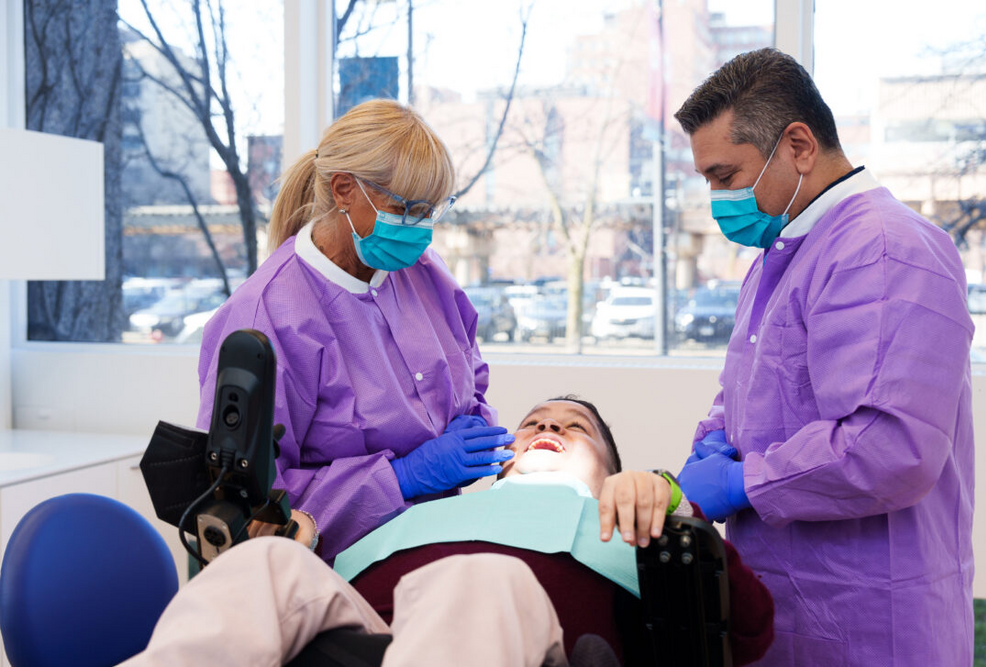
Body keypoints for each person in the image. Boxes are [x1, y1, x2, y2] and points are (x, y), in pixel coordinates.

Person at [672, 48, 974, 665]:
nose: (717, 198)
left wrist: (742, 482)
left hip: (872, 618)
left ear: (799, 146)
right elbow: (749, 389)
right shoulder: (783, 255)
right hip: (790, 606)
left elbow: (890, 447)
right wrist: (715, 438)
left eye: (725, 176)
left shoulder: (884, 249)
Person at [122, 398, 774, 667]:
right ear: (504, 458)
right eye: (534, 422)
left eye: (575, 428)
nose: (549, 427)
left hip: (520, 642)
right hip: (367, 642)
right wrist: (298, 540)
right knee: (264, 562)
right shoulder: (420, 514)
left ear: (612, 471)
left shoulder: (629, 520)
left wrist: (674, 503)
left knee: (480, 575)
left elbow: (748, 630)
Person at [196, 100, 512, 561]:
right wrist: (400, 478)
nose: (421, 229)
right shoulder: (266, 316)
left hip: (437, 539)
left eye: (432, 210)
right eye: (405, 208)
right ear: (344, 189)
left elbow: (470, 375)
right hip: (336, 567)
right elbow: (253, 507)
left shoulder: (424, 272)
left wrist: (474, 424)